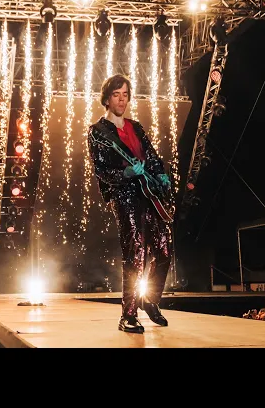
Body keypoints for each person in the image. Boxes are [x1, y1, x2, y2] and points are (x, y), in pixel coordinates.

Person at [87, 74, 172, 334]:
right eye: (116, 95)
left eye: (125, 95)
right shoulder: (98, 132)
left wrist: (161, 175)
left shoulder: (136, 127)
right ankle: (128, 315)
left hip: (149, 194)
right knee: (135, 253)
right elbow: (101, 170)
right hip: (124, 196)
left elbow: (152, 156)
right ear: (107, 99)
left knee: (165, 249)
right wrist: (125, 173)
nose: (121, 100)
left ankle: (150, 300)